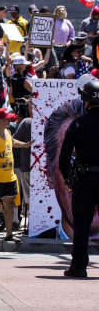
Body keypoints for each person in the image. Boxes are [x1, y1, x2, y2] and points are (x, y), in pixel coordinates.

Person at [58, 80, 99, 277]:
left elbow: (64, 157)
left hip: (85, 178)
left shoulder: (78, 124)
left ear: (86, 101)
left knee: (82, 223)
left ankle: (79, 266)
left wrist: (68, 180)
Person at [0, 108, 31, 244]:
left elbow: (13, 142)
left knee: (9, 204)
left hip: (9, 177)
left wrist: (26, 145)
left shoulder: (7, 132)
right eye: (8, 118)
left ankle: (9, 234)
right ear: (1, 120)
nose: (10, 120)